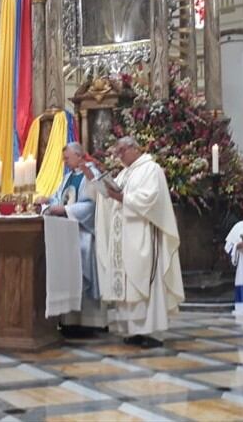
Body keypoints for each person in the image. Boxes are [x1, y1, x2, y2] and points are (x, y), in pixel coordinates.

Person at [87, 136, 185, 348]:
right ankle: (134, 330)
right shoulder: (124, 173)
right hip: (123, 237)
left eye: (122, 151)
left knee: (144, 281)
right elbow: (112, 199)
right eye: (117, 152)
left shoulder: (151, 169)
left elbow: (149, 199)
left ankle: (152, 332)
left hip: (143, 235)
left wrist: (120, 197)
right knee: (127, 283)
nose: (119, 156)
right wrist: (103, 190)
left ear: (135, 148)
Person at [42, 142, 107, 336]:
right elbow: (59, 198)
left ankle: (89, 322)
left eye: (67, 158)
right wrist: (48, 201)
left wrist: (65, 210)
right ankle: (69, 321)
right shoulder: (68, 177)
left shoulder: (91, 175)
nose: (64, 161)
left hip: (84, 233)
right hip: (66, 234)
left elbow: (92, 206)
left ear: (79, 156)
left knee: (83, 270)